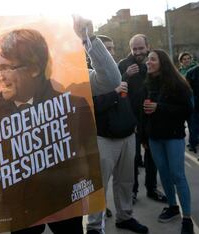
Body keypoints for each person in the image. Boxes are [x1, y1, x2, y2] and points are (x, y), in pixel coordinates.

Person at [0, 18, 102, 234]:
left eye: (5, 68)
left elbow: (88, 161)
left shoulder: (73, 106)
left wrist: (90, 37)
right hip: (20, 210)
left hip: (66, 203)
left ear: (34, 68)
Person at [83, 33, 147, 234]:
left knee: (126, 181)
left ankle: (125, 216)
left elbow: (133, 100)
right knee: (99, 185)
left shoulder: (120, 72)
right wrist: (114, 94)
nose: (110, 52)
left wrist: (135, 123)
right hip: (104, 139)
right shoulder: (90, 77)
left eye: (111, 49)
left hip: (128, 135)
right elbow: (90, 107)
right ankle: (94, 226)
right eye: (106, 48)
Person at [140, 49, 194, 234]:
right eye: (148, 59)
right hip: (155, 138)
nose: (148, 62)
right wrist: (144, 137)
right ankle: (172, 206)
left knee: (178, 175)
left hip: (173, 137)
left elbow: (187, 110)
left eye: (152, 59)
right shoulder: (148, 82)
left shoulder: (178, 84)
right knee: (163, 174)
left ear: (162, 62)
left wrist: (159, 107)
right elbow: (145, 113)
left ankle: (187, 218)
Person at [118, 34, 167, 204]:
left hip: (151, 118)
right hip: (131, 119)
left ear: (147, 46)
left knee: (152, 156)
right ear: (130, 49)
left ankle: (152, 188)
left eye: (141, 48)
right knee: (132, 158)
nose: (138, 52)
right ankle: (133, 191)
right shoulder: (123, 65)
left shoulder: (153, 63)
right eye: (134, 49)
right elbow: (117, 91)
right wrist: (125, 75)